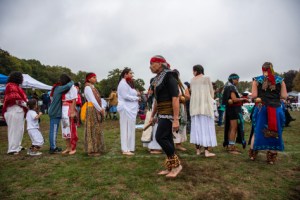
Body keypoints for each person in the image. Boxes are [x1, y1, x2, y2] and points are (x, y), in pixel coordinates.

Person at [149, 55, 182, 178]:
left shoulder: (169, 75)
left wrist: (176, 119)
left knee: (160, 137)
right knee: (167, 139)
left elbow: (175, 98)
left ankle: (177, 165)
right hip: (161, 112)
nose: (150, 66)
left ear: (160, 63)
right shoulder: (156, 79)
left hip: (169, 113)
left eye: (152, 63)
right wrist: (152, 116)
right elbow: (157, 101)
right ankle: (171, 166)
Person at [249, 62, 287, 164]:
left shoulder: (256, 80)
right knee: (275, 132)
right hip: (276, 108)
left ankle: (253, 155)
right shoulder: (280, 80)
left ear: (263, 69)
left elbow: (254, 95)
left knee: (257, 130)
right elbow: (284, 96)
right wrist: (274, 96)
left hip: (262, 108)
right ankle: (271, 158)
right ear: (272, 68)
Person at [189, 65, 217, 157]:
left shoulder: (192, 80)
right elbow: (211, 93)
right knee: (206, 129)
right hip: (205, 108)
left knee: (197, 129)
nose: (193, 72)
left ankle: (198, 150)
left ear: (196, 71)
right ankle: (206, 151)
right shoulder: (207, 78)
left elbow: (192, 92)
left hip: (195, 108)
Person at [222, 74, 249, 154]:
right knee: (234, 127)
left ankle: (230, 145)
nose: (238, 81)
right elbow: (233, 99)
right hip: (234, 109)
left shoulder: (227, 86)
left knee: (230, 127)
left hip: (230, 109)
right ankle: (231, 147)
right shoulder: (231, 87)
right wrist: (243, 99)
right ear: (233, 79)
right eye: (237, 79)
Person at [3, 71, 28, 155]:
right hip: (13, 110)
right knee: (14, 130)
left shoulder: (16, 86)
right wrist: (27, 104)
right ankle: (12, 149)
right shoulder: (10, 86)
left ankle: (17, 146)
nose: (22, 79)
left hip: (18, 110)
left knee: (20, 130)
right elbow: (15, 99)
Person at [48, 74, 74, 154]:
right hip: (55, 112)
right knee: (54, 130)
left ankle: (53, 146)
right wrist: (72, 81)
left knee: (53, 130)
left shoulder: (56, 88)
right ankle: (53, 148)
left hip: (53, 111)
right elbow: (69, 85)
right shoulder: (59, 88)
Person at [117, 68, 140, 156]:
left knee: (129, 128)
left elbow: (129, 94)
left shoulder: (126, 84)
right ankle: (125, 149)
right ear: (125, 74)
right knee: (125, 128)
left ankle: (129, 147)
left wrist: (136, 94)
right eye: (130, 73)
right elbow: (125, 96)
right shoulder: (122, 84)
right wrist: (137, 98)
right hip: (125, 108)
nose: (132, 75)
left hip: (129, 108)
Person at [83, 73, 105, 156]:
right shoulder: (88, 87)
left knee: (96, 129)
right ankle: (91, 150)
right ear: (89, 79)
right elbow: (92, 100)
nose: (95, 79)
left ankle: (96, 148)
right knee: (92, 129)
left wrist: (100, 108)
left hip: (94, 108)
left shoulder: (92, 87)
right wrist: (100, 109)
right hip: (92, 109)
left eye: (96, 77)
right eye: (94, 77)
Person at [172, 69, 188, 151]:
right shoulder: (170, 84)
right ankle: (173, 143)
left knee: (181, 124)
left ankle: (178, 143)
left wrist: (183, 98)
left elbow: (187, 96)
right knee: (173, 125)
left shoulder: (181, 85)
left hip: (181, 107)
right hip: (172, 107)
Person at [61, 84, 78, 155]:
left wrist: (72, 111)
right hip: (63, 109)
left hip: (69, 108)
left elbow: (74, 99)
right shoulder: (62, 87)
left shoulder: (72, 87)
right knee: (65, 129)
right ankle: (68, 147)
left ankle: (73, 148)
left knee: (71, 129)